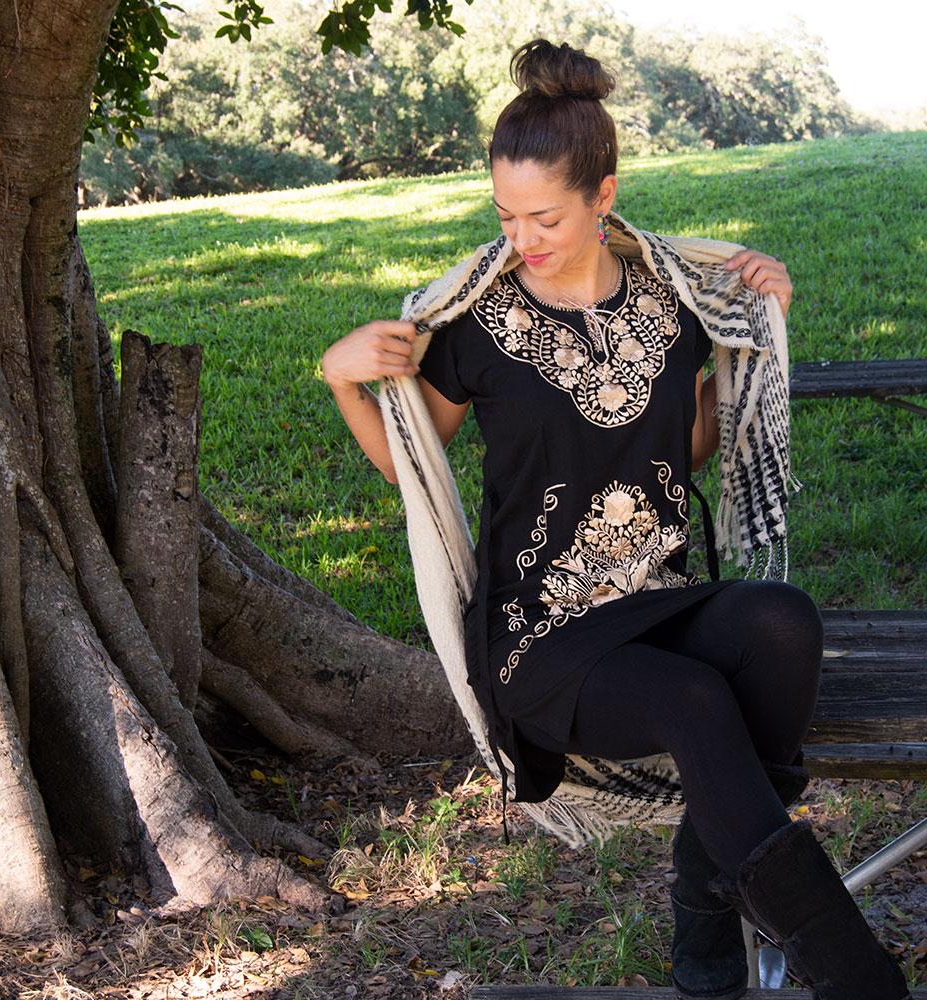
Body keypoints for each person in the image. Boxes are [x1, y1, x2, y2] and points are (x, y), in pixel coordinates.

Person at [320, 38, 911, 1000]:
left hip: (655, 595)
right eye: (504, 215)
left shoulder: (673, 304)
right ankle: (854, 975)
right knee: (693, 700)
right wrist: (343, 379)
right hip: (540, 634)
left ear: (604, 197)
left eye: (544, 215)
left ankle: (703, 889)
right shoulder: (474, 323)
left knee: (781, 621)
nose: (521, 238)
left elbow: (688, 449)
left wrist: (755, 331)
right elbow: (410, 464)